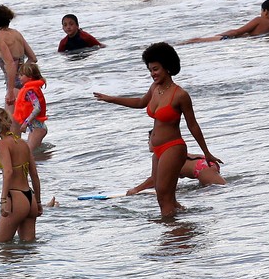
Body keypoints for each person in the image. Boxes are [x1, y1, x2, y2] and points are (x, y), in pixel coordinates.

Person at [93, 42, 221, 217]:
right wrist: (110, 99)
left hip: (173, 147)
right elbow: (140, 103)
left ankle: (169, 235)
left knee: (163, 195)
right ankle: (183, 228)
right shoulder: (155, 89)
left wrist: (207, 153)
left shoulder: (180, 95)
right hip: (158, 150)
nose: (152, 74)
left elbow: (193, 125)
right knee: (166, 197)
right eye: (150, 70)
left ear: (168, 67)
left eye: (156, 69)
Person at [0, 108, 42, 242]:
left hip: (15, 199)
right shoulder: (23, 144)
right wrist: (39, 202)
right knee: (29, 251)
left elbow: (8, 172)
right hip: (30, 198)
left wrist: (3, 200)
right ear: (9, 121)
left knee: (2, 248)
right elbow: (34, 175)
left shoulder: (1, 144)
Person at [128, 131, 226, 195]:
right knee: (212, 190)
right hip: (203, 165)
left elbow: (155, 179)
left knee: (221, 190)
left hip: (202, 168)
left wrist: (136, 189)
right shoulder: (170, 151)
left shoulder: (160, 155)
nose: (148, 143)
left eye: (149, 139)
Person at [0, 5, 37, 111]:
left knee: (11, 124)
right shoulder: (16, 34)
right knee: (28, 121)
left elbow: (10, 63)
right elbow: (33, 58)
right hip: (26, 85)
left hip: (14, 86)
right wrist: (22, 72)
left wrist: (10, 91)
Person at [184, 0, 269, 43]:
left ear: (266, 12)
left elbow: (237, 32)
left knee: (196, 40)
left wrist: (219, 35)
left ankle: (176, 45)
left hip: (230, 39)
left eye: (261, 10)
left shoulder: (260, 20)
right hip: (242, 41)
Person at [14, 63, 48, 151]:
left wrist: (25, 123)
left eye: (21, 75)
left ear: (29, 77)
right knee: (35, 154)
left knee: (29, 153)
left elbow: (37, 108)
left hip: (38, 128)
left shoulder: (31, 91)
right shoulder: (28, 90)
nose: (19, 77)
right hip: (36, 128)